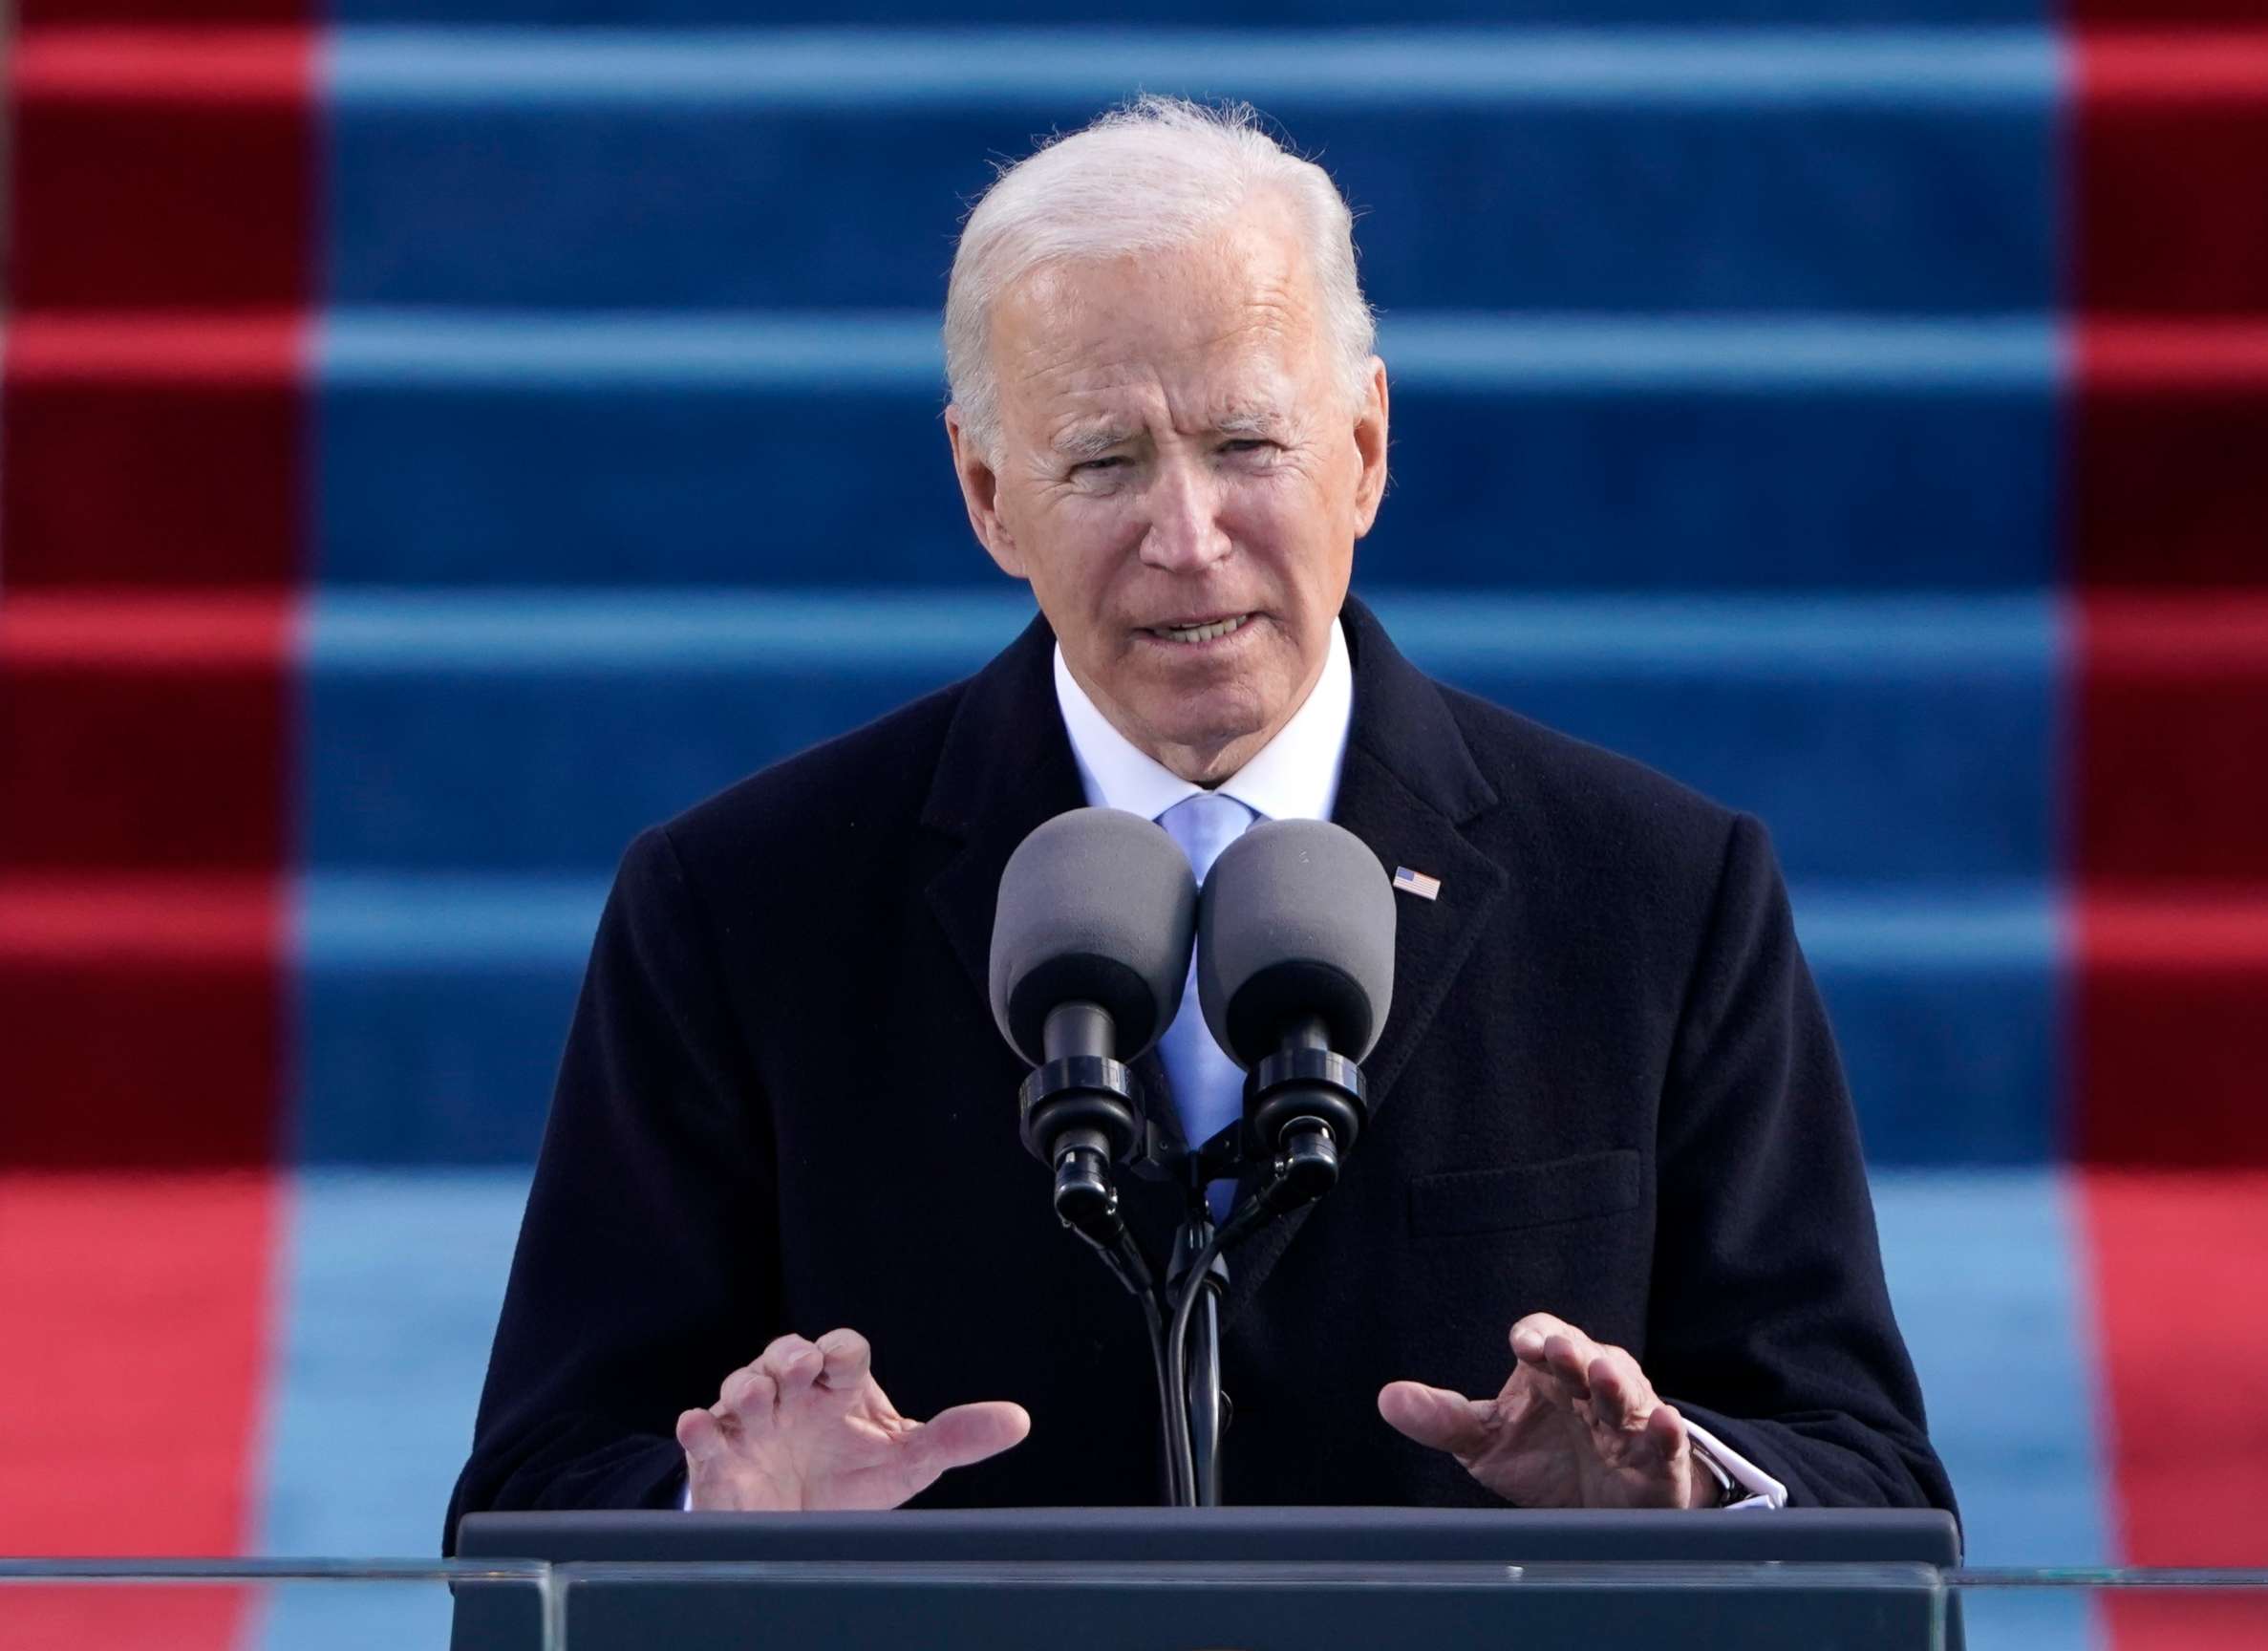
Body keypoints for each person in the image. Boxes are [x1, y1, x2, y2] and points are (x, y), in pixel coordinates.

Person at [446, 96, 1953, 1540]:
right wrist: (725, 1519)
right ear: (985, 492)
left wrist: (1678, 1493)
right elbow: (530, 1493)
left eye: (1247, 447)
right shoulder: (739, 909)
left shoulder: (1659, 896)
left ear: (1364, 448)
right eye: (1103, 461)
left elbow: (1871, 1478)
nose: (1186, 538)